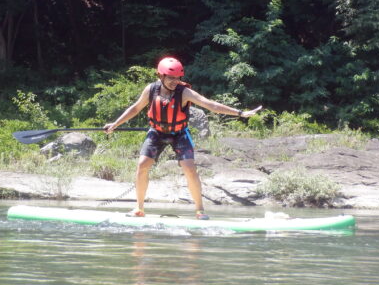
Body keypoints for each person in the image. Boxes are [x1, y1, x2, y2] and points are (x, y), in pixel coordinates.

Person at [103, 57, 262, 220]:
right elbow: (135, 108)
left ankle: (200, 211)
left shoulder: (184, 92)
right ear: (161, 76)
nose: (175, 81)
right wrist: (115, 123)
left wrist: (240, 113)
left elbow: (210, 105)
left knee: (189, 168)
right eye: (171, 78)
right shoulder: (151, 90)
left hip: (179, 134)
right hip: (157, 132)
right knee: (142, 165)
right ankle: (139, 208)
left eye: (178, 77)